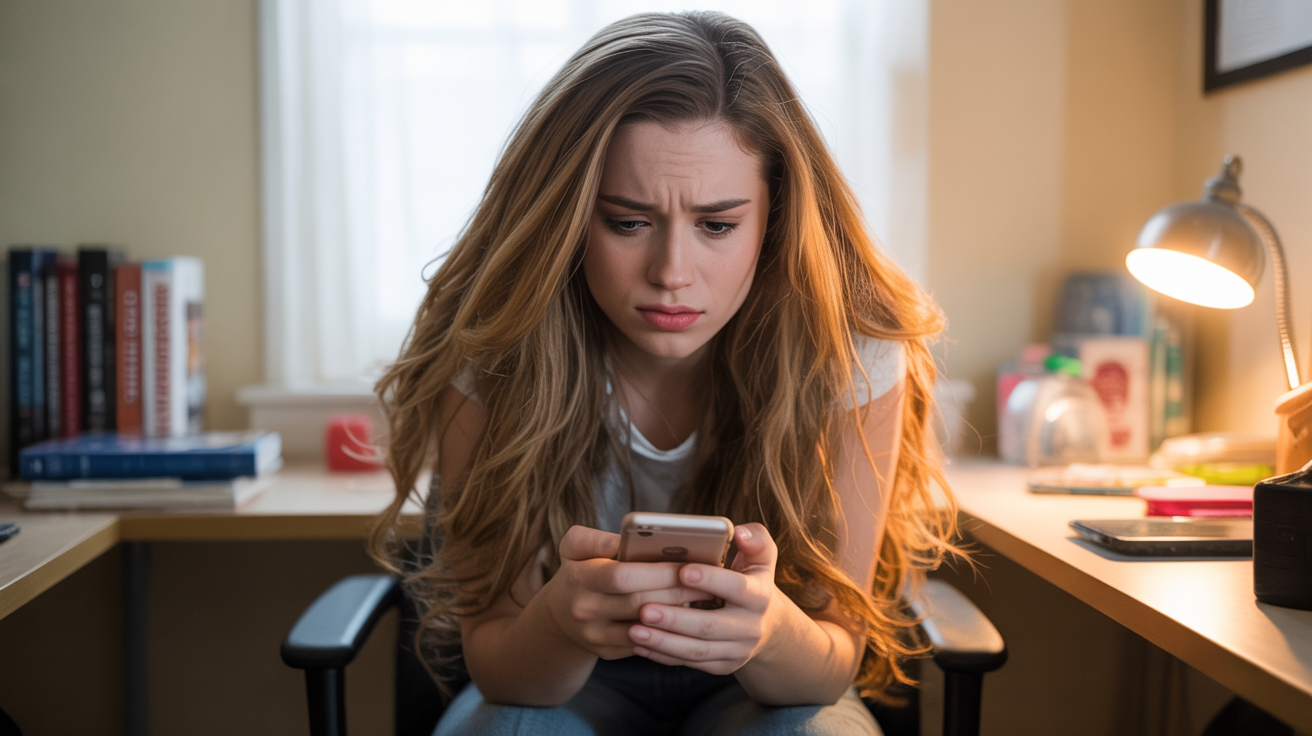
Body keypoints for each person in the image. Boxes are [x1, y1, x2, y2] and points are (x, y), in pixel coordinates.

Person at [371, 11, 959, 736]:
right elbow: (499, 667)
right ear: (567, 216)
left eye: (717, 225)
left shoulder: (852, 347)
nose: (671, 274)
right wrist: (559, 621)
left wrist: (769, 631)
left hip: (764, 687)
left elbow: (833, 660)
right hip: (562, 686)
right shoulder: (496, 341)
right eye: (626, 222)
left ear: (774, 219)